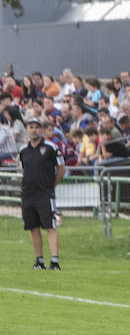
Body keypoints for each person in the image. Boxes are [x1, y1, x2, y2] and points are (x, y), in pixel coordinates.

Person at [19, 115, 65, 270]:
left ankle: (55, 261)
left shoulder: (51, 147)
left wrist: (52, 185)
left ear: (41, 130)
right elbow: (23, 170)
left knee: (50, 227)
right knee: (33, 228)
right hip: (28, 195)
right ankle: (39, 260)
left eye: (37, 127)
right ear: (27, 130)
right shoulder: (23, 151)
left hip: (44, 194)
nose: (34, 130)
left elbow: (61, 168)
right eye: (31, 127)